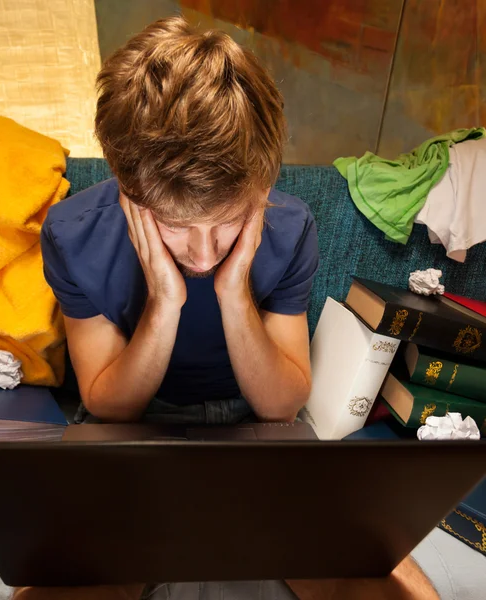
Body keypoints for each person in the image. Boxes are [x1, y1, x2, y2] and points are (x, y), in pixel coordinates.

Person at [35, 15, 439, 600]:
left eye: (227, 223)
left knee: (381, 574)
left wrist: (232, 292)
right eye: (176, 227)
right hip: (136, 425)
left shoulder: (290, 225)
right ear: (128, 189)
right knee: (61, 580)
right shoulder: (72, 234)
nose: (203, 254)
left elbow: (281, 404)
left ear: (263, 182)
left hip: (256, 426)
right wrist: (165, 303)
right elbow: (109, 404)